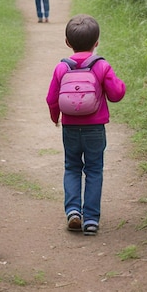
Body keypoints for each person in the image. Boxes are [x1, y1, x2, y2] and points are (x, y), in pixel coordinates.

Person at [46, 14, 126, 235]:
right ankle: (91, 219)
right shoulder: (101, 66)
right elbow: (116, 94)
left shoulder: (62, 68)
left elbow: (51, 99)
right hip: (95, 129)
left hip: (70, 128)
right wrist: (120, 84)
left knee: (72, 168)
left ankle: (73, 211)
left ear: (67, 43)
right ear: (97, 42)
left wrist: (56, 118)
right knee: (93, 170)